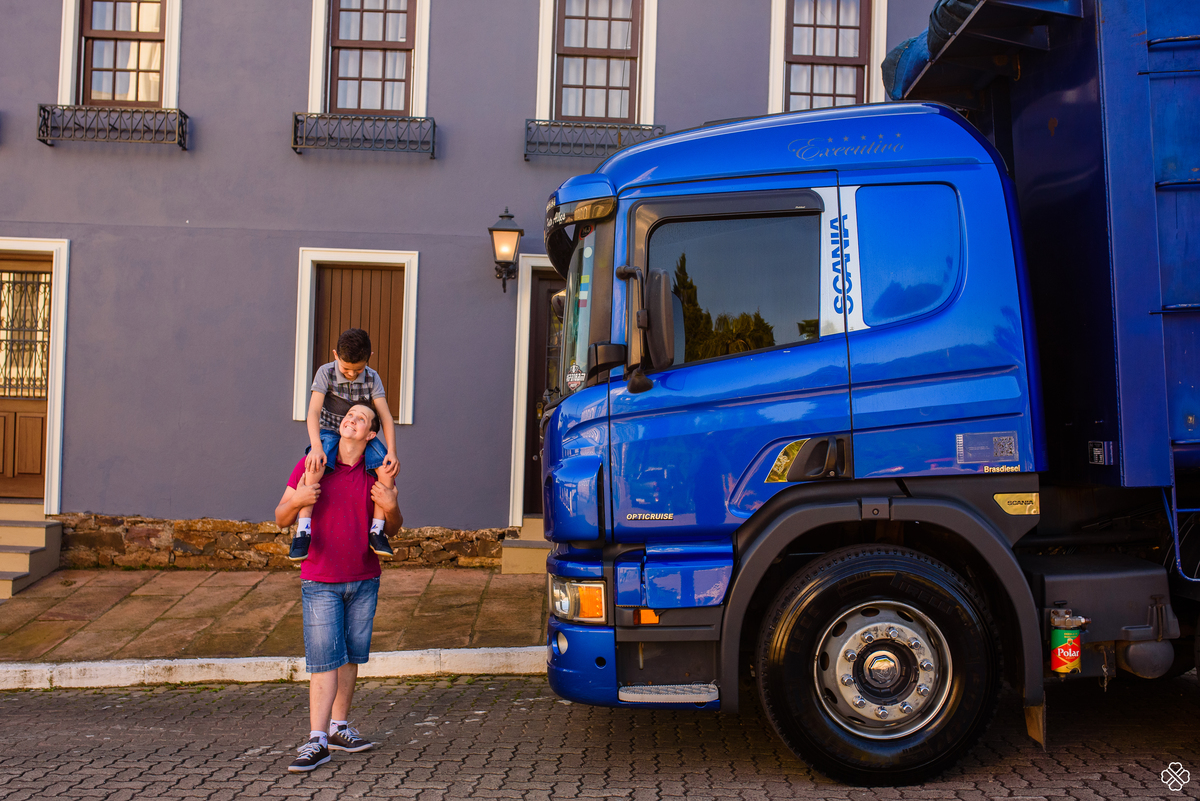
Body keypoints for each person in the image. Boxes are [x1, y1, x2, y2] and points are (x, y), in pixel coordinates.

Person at [274, 401, 402, 773]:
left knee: (350, 658)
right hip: (320, 580)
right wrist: (299, 500)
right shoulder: (313, 463)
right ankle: (316, 741)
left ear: (371, 434)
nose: (351, 419)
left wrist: (391, 506)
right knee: (324, 661)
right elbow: (280, 516)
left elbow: (394, 527)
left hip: (364, 579)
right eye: (349, 415)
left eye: (361, 417)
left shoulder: (378, 470)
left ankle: (338, 728)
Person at [289, 327, 399, 562]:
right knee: (315, 463)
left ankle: (377, 530)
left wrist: (392, 451)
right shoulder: (325, 372)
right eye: (346, 368)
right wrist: (316, 445)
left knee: (386, 468)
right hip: (330, 432)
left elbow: (385, 416)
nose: (351, 373)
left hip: (361, 434)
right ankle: (303, 530)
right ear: (335, 355)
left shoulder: (372, 378)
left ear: (369, 357)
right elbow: (313, 411)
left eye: (357, 369)